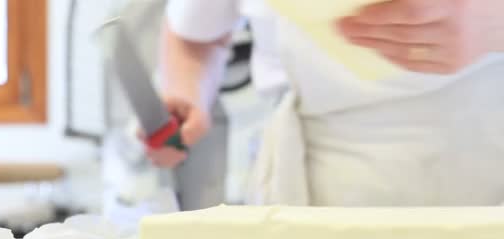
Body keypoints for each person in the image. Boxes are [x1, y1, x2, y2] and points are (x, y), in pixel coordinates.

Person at [146, 0, 504, 206]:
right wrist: (187, 93)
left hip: (487, 172)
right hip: (313, 185)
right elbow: (194, 36)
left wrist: (494, 23)